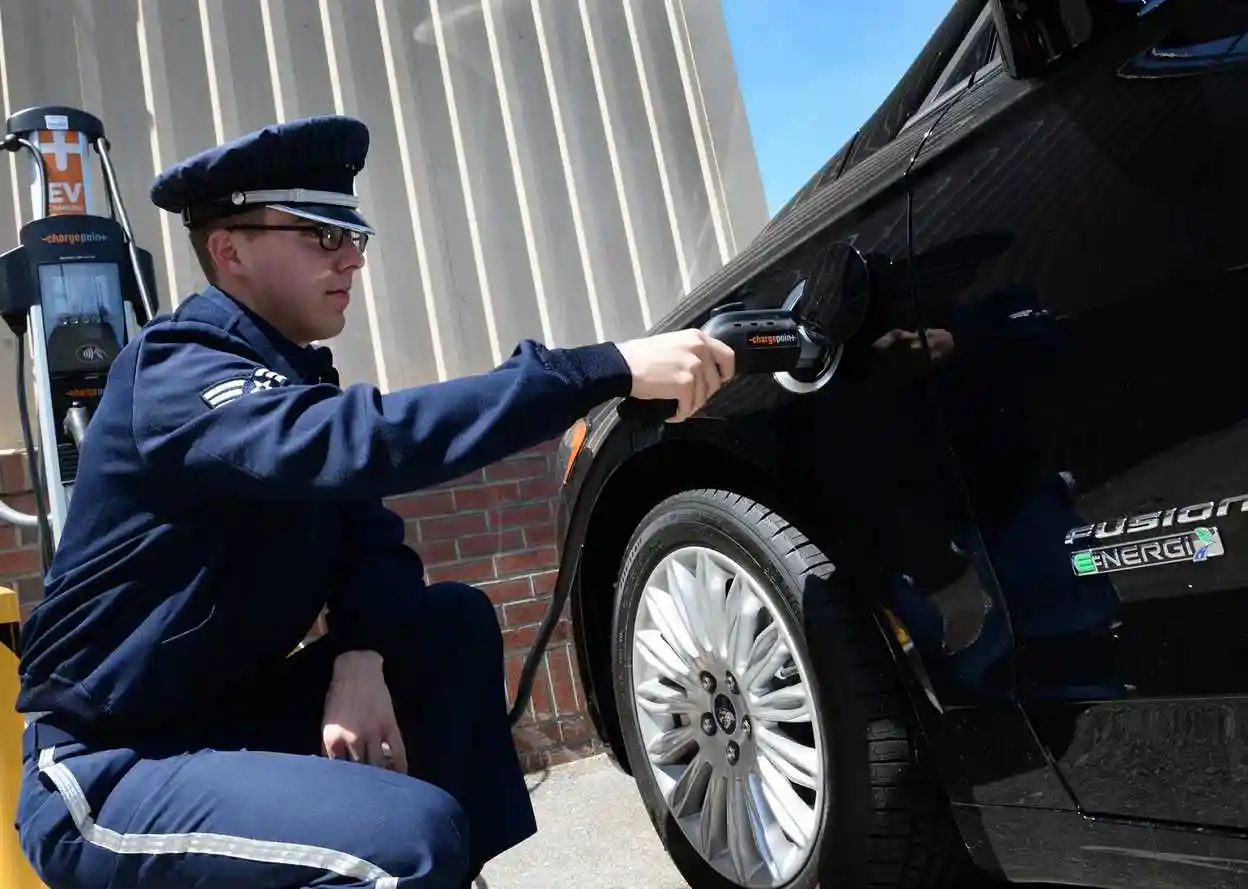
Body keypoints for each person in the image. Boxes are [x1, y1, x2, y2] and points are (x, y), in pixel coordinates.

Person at [12, 114, 735, 889]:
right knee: (404, 840)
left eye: (353, 235)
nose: (352, 257)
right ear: (230, 250)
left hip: (228, 727)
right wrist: (601, 368)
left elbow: (370, 538)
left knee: (447, 626)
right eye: (323, 236)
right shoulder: (175, 370)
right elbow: (358, 442)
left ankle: (441, 873)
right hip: (112, 766)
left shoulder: (289, 383)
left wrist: (362, 655)